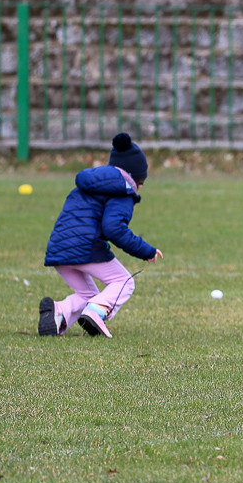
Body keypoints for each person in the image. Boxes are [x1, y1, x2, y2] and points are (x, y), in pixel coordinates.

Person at [38, 133, 163, 338]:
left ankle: (59, 312)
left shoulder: (88, 183)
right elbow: (114, 229)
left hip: (58, 248)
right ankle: (97, 312)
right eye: (141, 183)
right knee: (124, 282)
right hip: (86, 247)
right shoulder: (122, 189)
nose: (139, 188)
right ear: (135, 177)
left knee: (89, 295)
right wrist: (145, 250)